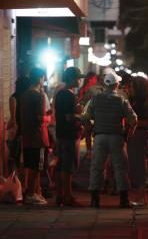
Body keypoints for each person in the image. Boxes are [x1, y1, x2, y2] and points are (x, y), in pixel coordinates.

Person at [82, 71, 137, 208]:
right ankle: (123, 199)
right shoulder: (122, 100)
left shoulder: (95, 99)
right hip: (116, 137)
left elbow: (85, 116)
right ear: (116, 84)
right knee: (120, 168)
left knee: (97, 167)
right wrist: (128, 135)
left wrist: (89, 130)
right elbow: (134, 119)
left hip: (99, 137)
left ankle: (95, 198)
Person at [54, 67, 85, 207]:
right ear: (71, 79)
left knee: (61, 166)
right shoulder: (68, 95)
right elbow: (69, 117)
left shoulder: (61, 93)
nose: (80, 80)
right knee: (68, 167)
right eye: (78, 78)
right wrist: (83, 119)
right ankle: (67, 196)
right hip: (69, 135)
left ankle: (60, 195)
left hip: (62, 134)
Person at [20, 67, 50, 205]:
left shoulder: (24, 94)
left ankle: (34, 193)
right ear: (40, 78)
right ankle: (32, 194)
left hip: (27, 136)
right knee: (36, 167)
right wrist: (48, 118)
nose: (44, 80)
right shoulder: (39, 96)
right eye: (43, 77)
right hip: (38, 137)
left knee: (31, 166)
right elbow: (40, 117)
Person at [127, 76, 148, 207]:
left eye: (132, 87)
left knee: (139, 166)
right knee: (136, 165)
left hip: (139, 136)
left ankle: (141, 197)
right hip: (136, 136)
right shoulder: (137, 102)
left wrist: (133, 122)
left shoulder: (143, 104)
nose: (130, 89)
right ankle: (140, 196)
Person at [7, 76, 30, 173]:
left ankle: (16, 182)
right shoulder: (28, 97)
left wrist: (10, 131)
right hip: (28, 129)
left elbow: (13, 118)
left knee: (15, 157)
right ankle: (24, 184)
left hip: (18, 131)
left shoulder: (13, 98)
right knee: (25, 158)